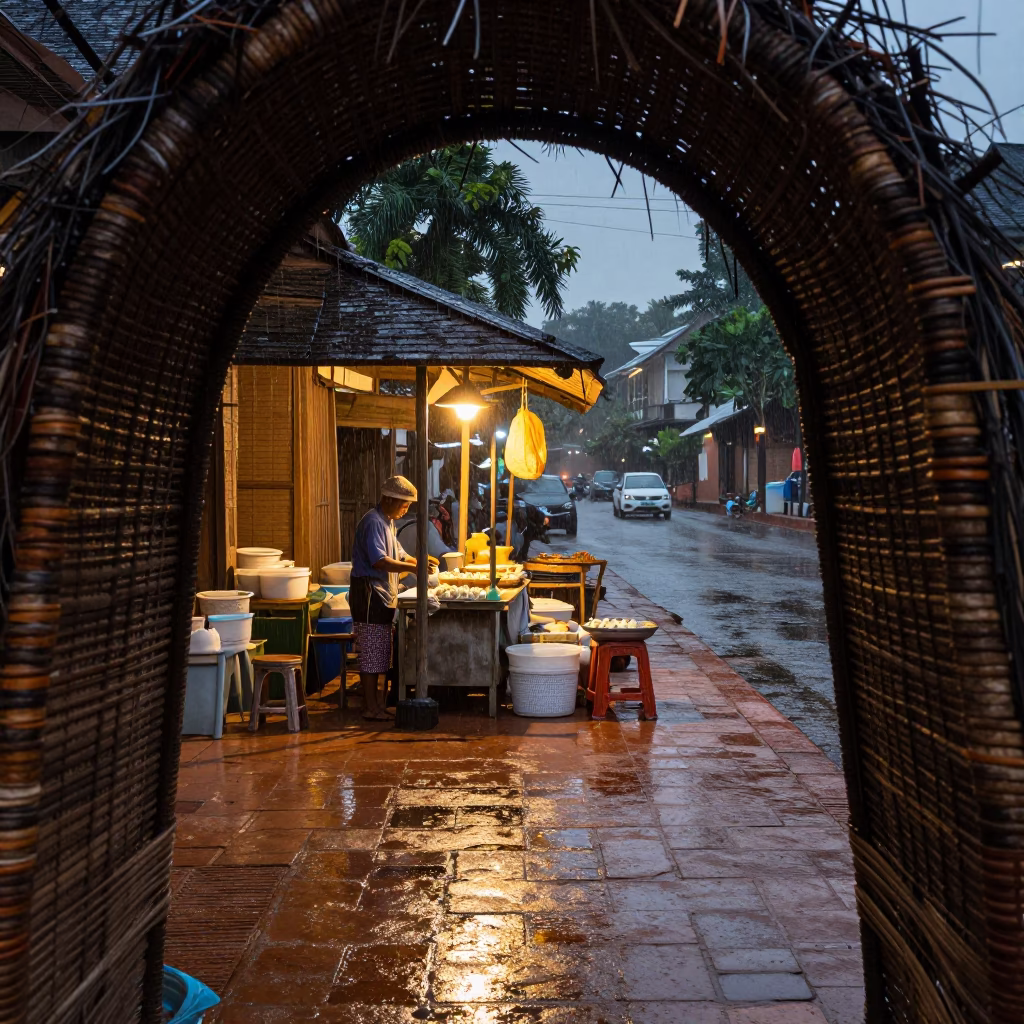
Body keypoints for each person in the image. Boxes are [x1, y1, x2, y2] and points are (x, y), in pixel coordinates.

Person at [349, 476, 433, 721]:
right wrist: (415, 568)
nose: (405, 510)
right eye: (403, 505)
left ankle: (377, 705)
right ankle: (370, 708)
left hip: (382, 595)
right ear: (388, 499)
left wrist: (419, 560)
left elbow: (399, 553)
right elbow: (380, 561)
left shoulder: (388, 522)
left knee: (380, 653)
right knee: (371, 653)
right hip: (369, 595)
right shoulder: (373, 522)